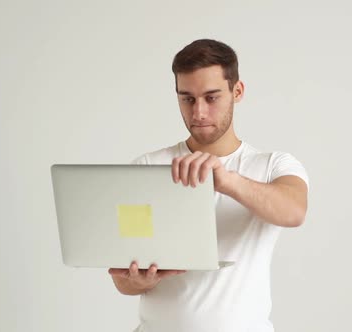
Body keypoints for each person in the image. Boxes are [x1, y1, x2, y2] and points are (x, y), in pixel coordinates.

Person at [108, 39, 309, 332]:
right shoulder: (147, 167)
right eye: (187, 98)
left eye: (211, 98)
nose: (198, 112)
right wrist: (137, 281)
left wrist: (226, 181)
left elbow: (294, 211)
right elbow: (123, 281)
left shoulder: (274, 165)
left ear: (237, 91)